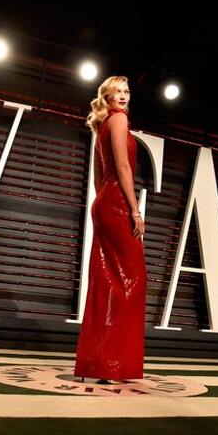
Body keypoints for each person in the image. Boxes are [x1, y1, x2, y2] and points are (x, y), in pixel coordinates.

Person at [73, 75, 148, 385]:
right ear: (106, 96)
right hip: (116, 203)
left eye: (127, 91)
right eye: (117, 91)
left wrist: (102, 205)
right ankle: (112, 363)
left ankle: (102, 362)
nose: (123, 96)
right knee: (133, 279)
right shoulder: (117, 121)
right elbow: (122, 167)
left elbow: (97, 176)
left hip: (104, 202)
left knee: (108, 280)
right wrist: (134, 209)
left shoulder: (101, 126)